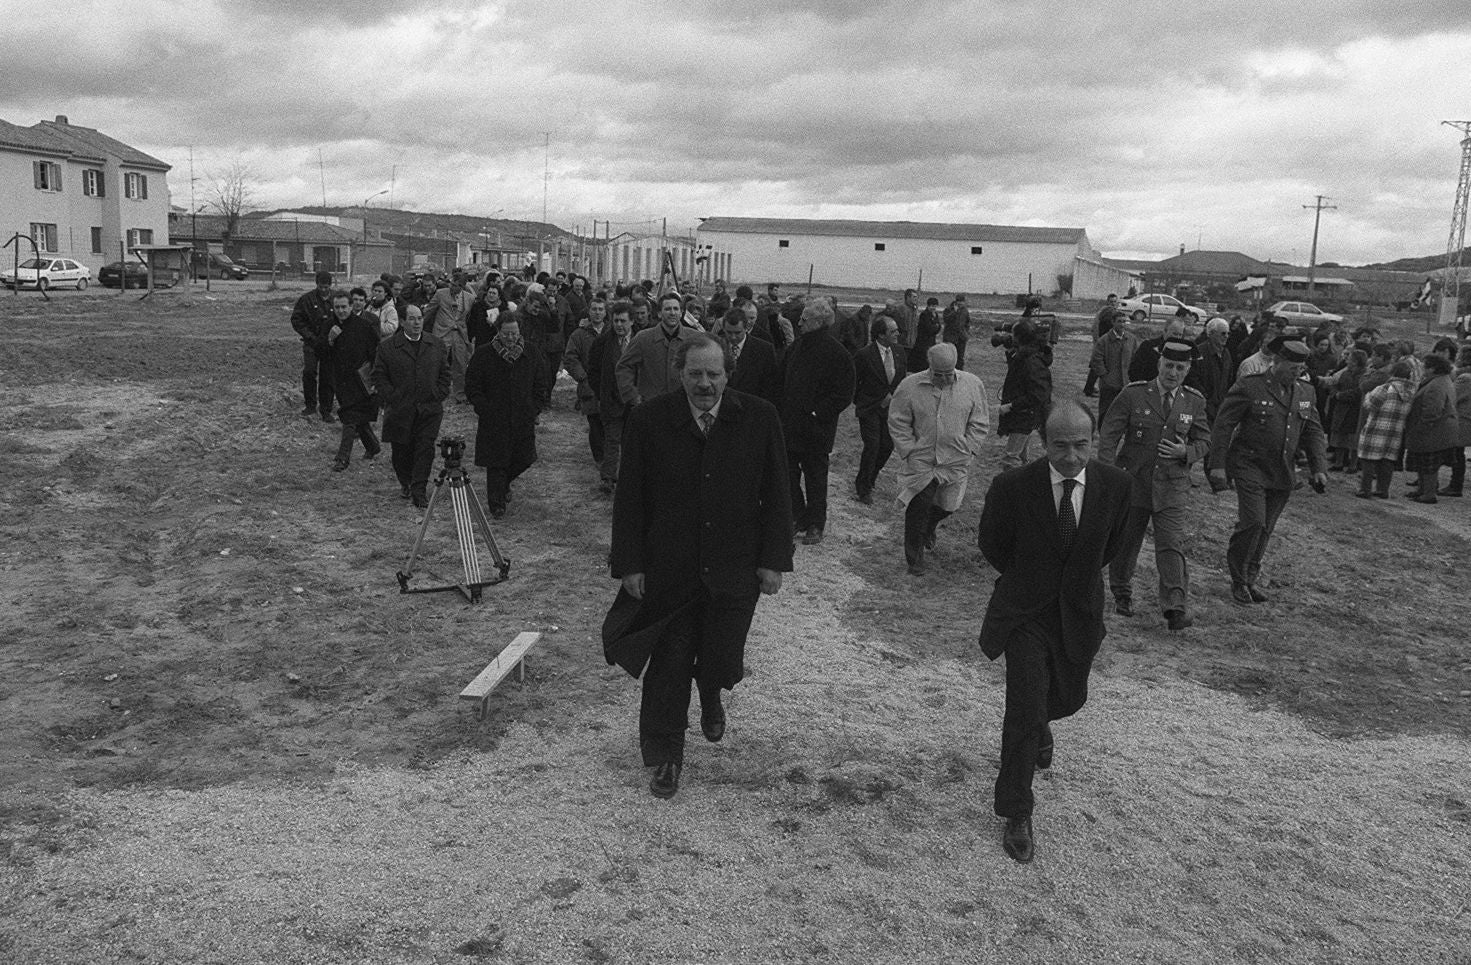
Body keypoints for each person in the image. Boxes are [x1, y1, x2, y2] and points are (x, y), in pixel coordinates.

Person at [609, 334, 794, 799]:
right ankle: (666, 755)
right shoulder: (650, 420)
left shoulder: (759, 417)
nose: (705, 384)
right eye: (695, 374)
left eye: (714, 374)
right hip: (670, 568)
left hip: (735, 568)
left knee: (720, 657)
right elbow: (629, 498)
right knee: (669, 664)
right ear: (680, 373)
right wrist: (629, 564)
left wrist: (774, 560)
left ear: (728, 374)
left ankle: (710, 688)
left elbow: (777, 493)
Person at [976, 401, 1133, 863]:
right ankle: (1016, 810)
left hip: (1080, 610)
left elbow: (1113, 545)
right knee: (1023, 708)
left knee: (1068, 698)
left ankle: (1045, 722)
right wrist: (1033, 578)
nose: (1070, 456)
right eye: (1060, 445)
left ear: (1094, 442)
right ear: (1043, 444)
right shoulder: (1012, 487)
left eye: (1081, 445)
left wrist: (1072, 582)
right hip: (1025, 612)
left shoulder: (1116, 486)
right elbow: (994, 543)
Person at [1097, 340, 1211, 630]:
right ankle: (1122, 593)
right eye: (1169, 365)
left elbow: (1205, 440)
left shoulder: (1194, 401)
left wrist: (1186, 452)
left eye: (1180, 368)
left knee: (1171, 544)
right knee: (1126, 542)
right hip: (1133, 482)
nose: (1173, 373)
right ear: (1159, 364)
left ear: (1187, 370)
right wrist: (1109, 475)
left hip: (1172, 486)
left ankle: (1175, 607)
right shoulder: (1133, 394)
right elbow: (1109, 435)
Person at [1207, 339, 1328, 604]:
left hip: (1282, 471)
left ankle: (1250, 578)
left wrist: (1319, 467)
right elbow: (1223, 425)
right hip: (1249, 465)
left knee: (1265, 529)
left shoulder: (1306, 392)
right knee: (1253, 522)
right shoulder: (1251, 386)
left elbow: (1313, 430)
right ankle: (1239, 579)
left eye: (1300, 368)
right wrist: (1217, 464)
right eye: (1292, 368)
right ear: (1277, 362)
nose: (1297, 373)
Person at [889, 343, 991, 575]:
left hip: (955, 460)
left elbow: (980, 420)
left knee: (948, 505)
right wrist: (908, 449)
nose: (944, 379)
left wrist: (970, 447)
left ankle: (929, 526)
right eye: (938, 374)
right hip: (922, 461)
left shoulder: (972, 385)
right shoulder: (909, 386)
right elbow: (898, 421)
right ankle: (914, 560)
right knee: (918, 507)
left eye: (949, 374)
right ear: (929, 366)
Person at [779, 298, 856, 545]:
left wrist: (818, 413)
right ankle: (798, 515)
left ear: (818, 322)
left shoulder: (837, 353)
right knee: (788, 475)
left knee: (815, 478)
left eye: (804, 319)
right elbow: (780, 380)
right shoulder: (796, 347)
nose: (799, 323)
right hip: (790, 426)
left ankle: (815, 524)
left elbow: (844, 393)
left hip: (816, 429)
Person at [464, 317, 548, 518]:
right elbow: (472, 386)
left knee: (525, 457)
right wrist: (484, 408)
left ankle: (504, 483)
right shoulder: (484, 354)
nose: (511, 338)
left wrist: (534, 408)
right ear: (498, 332)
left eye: (514, 333)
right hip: (494, 418)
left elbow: (541, 382)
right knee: (496, 462)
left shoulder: (531, 352)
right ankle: (497, 505)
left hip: (522, 417)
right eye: (506, 334)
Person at [370, 304, 450, 508]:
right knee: (402, 450)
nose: (417, 323)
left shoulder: (436, 344)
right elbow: (378, 376)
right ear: (403, 322)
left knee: (425, 448)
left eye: (420, 318)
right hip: (401, 409)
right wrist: (392, 397)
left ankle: (419, 490)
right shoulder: (388, 348)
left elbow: (444, 373)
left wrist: (439, 393)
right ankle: (406, 481)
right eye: (412, 319)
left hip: (429, 409)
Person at [852, 314, 905, 505]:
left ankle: (871, 477)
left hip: (891, 409)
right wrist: (862, 401)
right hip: (869, 409)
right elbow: (853, 383)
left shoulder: (899, 351)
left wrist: (892, 395)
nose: (898, 334)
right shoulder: (864, 355)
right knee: (872, 447)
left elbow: (901, 379)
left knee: (887, 446)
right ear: (881, 335)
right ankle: (863, 488)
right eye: (893, 331)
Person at [327, 290, 382, 471]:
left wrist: (376, 378)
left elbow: (376, 353)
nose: (341, 311)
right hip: (340, 380)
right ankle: (373, 446)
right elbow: (320, 352)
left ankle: (342, 458)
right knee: (357, 417)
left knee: (349, 417)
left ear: (351, 306)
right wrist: (329, 340)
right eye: (337, 307)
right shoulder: (329, 325)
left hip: (361, 380)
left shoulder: (364, 327)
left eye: (344, 307)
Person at [617, 292, 698, 410]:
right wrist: (632, 395)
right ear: (659, 313)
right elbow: (624, 366)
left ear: (681, 313)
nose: (672, 313)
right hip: (651, 406)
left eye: (676, 309)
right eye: (667, 309)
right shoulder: (643, 338)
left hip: (685, 405)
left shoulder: (694, 338)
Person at [586, 302, 634, 495]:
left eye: (623, 321)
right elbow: (594, 371)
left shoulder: (641, 340)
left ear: (631, 321)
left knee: (632, 443)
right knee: (611, 441)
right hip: (610, 400)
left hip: (634, 401)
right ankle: (608, 478)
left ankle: (631, 478)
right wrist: (601, 393)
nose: (619, 325)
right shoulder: (603, 342)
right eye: (616, 320)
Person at [1402, 353, 1460, 504]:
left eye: (1424, 366)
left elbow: (1433, 411)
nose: (1421, 368)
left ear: (1433, 368)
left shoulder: (1436, 385)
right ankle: (1422, 490)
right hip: (1437, 429)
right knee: (1423, 461)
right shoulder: (1441, 380)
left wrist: (1420, 427)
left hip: (1433, 430)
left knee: (1429, 464)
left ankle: (1428, 494)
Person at [997, 320, 1053, 471]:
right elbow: (1019, 371)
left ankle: (1014, 488)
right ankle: (1025, 482)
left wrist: (1011, 406)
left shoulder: (1031, 361)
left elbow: (1038, 394)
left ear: (1020, 338)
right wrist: (1010, 352)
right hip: (1026, 415)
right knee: (1021, 457)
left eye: (1014, 335)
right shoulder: (1028, 355)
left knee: (1010, 458)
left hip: (1025, 415)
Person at [1355, 360, 1414, 499]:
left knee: (1368, 459)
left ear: (1393, 373)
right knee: (1387, 460)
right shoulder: (1411, 392)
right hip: (1396, 431)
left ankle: (1365, 489)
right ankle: (1383, 489)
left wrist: (1368, 396)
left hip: (1376, 427)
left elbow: (1369, 405)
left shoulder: (1385, 388)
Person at [563, 298, 607, 470]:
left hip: (610, 384)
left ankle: (610, 457)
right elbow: (570, 358)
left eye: (601, 309)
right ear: (589, 312)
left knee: (609, 422)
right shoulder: (579, 335)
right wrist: (583, 377)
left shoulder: (612, 331)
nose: (597, 312)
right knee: (595, 422)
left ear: (605, 312)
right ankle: (600, 458)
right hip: (589, 385)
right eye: (594, 309)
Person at [290, 270, 338, 422]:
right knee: (309, 372)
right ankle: (310, 405)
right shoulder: (307, 300)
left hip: (330, 345)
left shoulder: (337, 299)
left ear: (330, 286)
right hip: (311, 343)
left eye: (326, 287)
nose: (324, 290)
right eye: (321, 287)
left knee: (328, 376)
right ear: (316, 284)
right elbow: (297, 320)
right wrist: (310, 336)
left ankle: (326, 409)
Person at [425, 271, 473, 404]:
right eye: (451, 283)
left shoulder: (469, 298)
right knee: (436, 363)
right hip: (441, 333)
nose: (452, 287)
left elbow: (469, 317)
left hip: (459, 335)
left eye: (456, 285)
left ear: (462, 286)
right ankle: (432, 392)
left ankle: (460, 394)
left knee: (460, 364)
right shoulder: (440, 294)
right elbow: (429, 311)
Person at [720, 306, 780, 408]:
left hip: (752, 408)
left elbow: (771, 386)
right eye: (729, 333)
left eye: (737, 333)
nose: (733, 337)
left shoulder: (764, 350)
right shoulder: (716, 346)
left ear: (746, 328)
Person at [1089, 311, 1139, 419]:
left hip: (1126, 384)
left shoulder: (1132, 339)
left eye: (1124, 321)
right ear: (1113, 322)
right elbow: (1096, 360)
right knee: (1105, 412)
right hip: (1108, 385)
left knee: (1123, 412)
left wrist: (1132, 377)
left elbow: (1136, 358)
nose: (1122, 324)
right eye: (1119, 321)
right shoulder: (1104, 340)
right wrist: (1105, 376)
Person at [1442, 346, 1471, 497]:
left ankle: (1455, 485)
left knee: (1457, 455)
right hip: (1465, 420)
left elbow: (1452, 396)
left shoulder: (1464, 378)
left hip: (1461, 421)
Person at [1126, 317, 1187, 383]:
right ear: (1165, 331)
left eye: (1180, 335)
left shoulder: (1183, 352)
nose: (1177, 338)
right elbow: (1134, 371)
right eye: (1174, 334)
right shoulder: (1148, 346)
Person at [907, 297, 942, 373]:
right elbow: (929, 328)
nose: (933, 308)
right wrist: (935, 326)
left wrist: (935, 326)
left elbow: (938, 327)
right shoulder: (924, 314)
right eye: (932, 306)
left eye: (935, 306)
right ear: (928, 306)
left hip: (931, 341)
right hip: (923, 342)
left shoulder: (935, 314)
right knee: (922, 361)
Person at [942, 294, 971, 371]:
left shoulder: (965, 311)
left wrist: (966, 334)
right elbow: (946, 320)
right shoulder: (949, 309)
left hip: (961, 338)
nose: (960, 303)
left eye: (962, 301)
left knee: (960, 359)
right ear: (956, 301)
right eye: (958, 301)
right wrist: (954, 312)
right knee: (949, 358)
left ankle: (960, 376)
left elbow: (967, 323)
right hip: (950, 339)